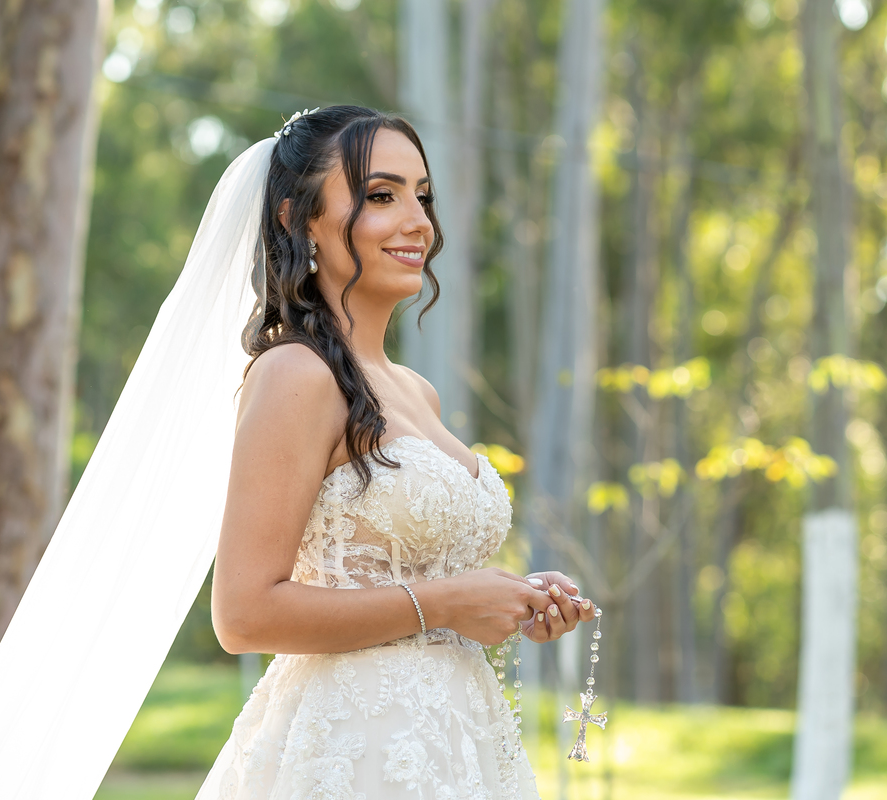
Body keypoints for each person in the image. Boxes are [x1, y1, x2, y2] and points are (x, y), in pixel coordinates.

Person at [193, 105, 596, 799]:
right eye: (382, 195)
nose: (419, 222)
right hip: (352, 751)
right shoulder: (297, 374)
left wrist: (507, 600)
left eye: (423, 196)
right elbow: (243, 614)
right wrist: (443, 603)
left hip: (456, 745)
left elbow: (411, 575)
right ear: (297, 220)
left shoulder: (417, 393)